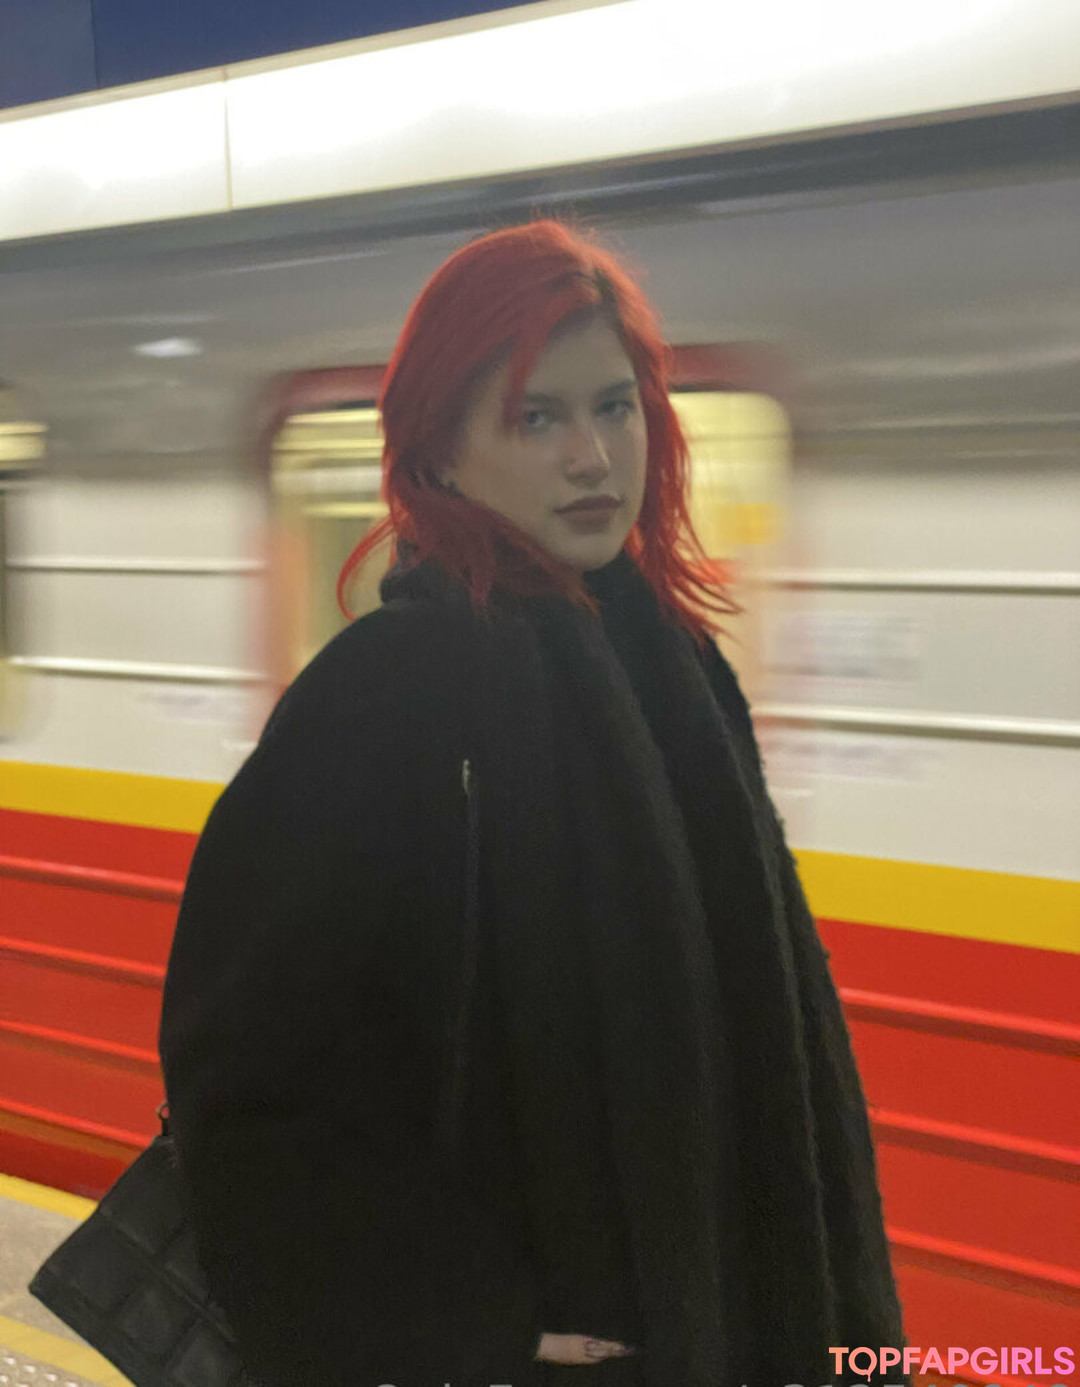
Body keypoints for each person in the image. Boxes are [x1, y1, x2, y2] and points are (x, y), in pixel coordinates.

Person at [159, 220, 906, 1387]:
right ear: (442, 452)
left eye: (615, 407)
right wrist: (463, 1320)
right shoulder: (384, 695)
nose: (593, 457)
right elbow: (244, 1081)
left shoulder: (682, 671)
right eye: (537, 418)